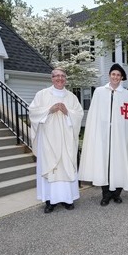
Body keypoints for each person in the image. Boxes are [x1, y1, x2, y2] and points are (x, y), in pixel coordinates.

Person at [78, 63, 128, 206]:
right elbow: (94, 114)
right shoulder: (99, 92)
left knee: (119, 163)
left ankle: (117, 193)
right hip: (103, 136)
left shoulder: (127, 95)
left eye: (118, 75)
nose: (115, 77)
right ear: (109, 76)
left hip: (120, 136)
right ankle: (106, 194)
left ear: (121, 78)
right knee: (105, 164)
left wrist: (127, 135)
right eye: (113, 74)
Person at [29, 67, 84, 213]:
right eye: (56, 76)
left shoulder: (71, 97)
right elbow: (33, 112)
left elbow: (79, 115)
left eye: (62, 76)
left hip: (66, 140)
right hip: (48, 140)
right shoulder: (42, 95)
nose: (59, 78)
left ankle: (68, 199)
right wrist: (49, 110)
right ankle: (50, 201)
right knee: (50, 167)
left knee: (66, 166)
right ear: (51, 78)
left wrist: (68, 112)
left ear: (65, 79)